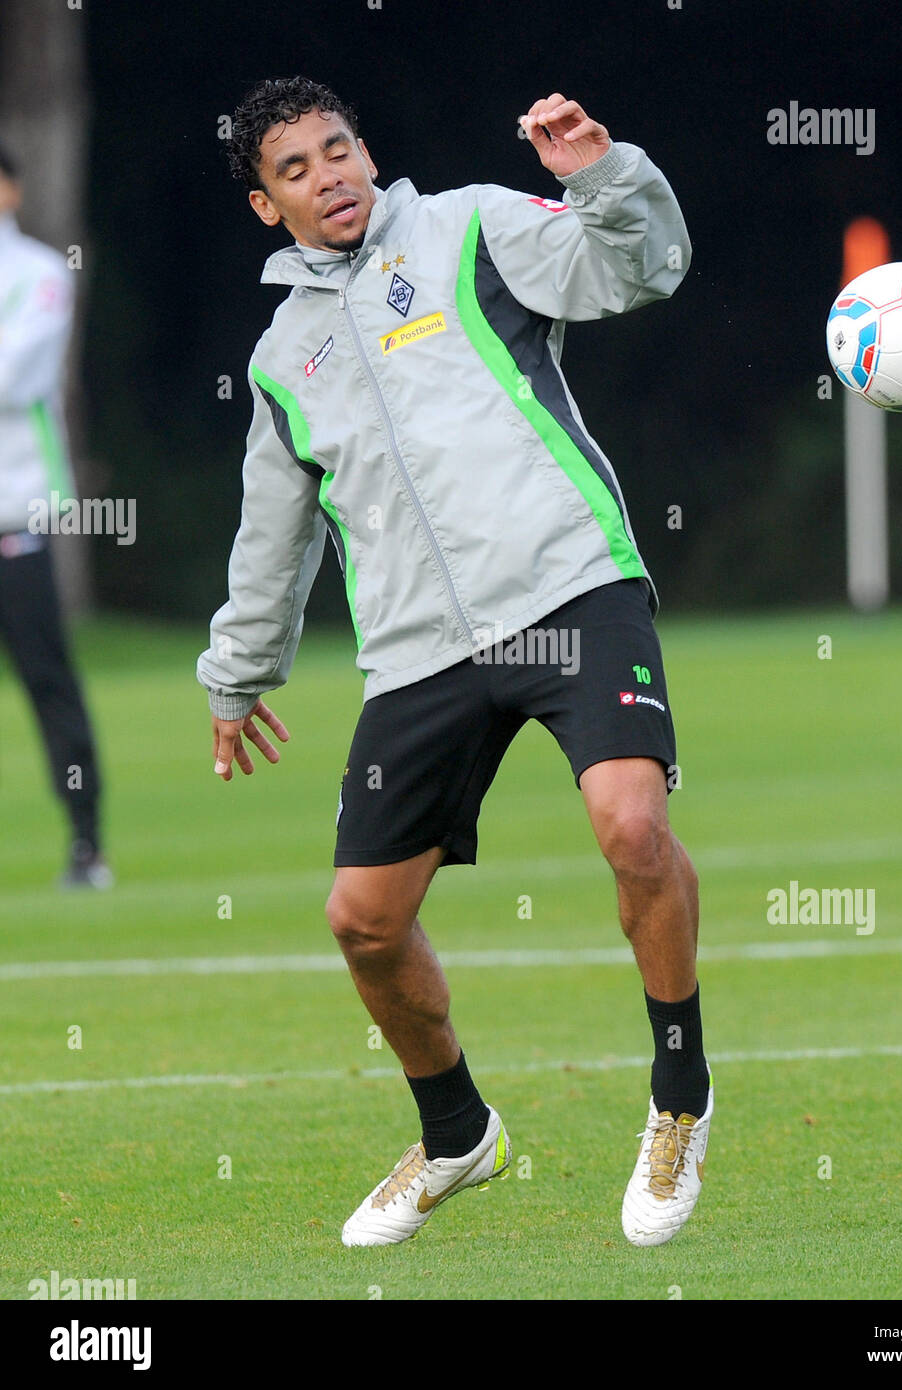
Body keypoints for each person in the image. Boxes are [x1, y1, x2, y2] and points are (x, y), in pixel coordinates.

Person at [198, 76, 711, 1248]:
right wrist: (237, 676)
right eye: (296, 168)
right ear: (265, 207)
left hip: (570, 581)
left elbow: (642, 268)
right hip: (421, 649)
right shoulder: (284, 357)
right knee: (362, 921)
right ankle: (454, 1134)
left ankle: (678, 1093)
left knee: (631, 827)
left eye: (339, 148)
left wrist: (600, 172)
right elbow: (271, 538)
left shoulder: (472, 225)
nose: (330, 174)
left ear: (366, 150)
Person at [0, 140, 111, 889]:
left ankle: (86, 844)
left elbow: (15, 376)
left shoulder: (39, 273)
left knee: (47, 679)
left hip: (17, 510)